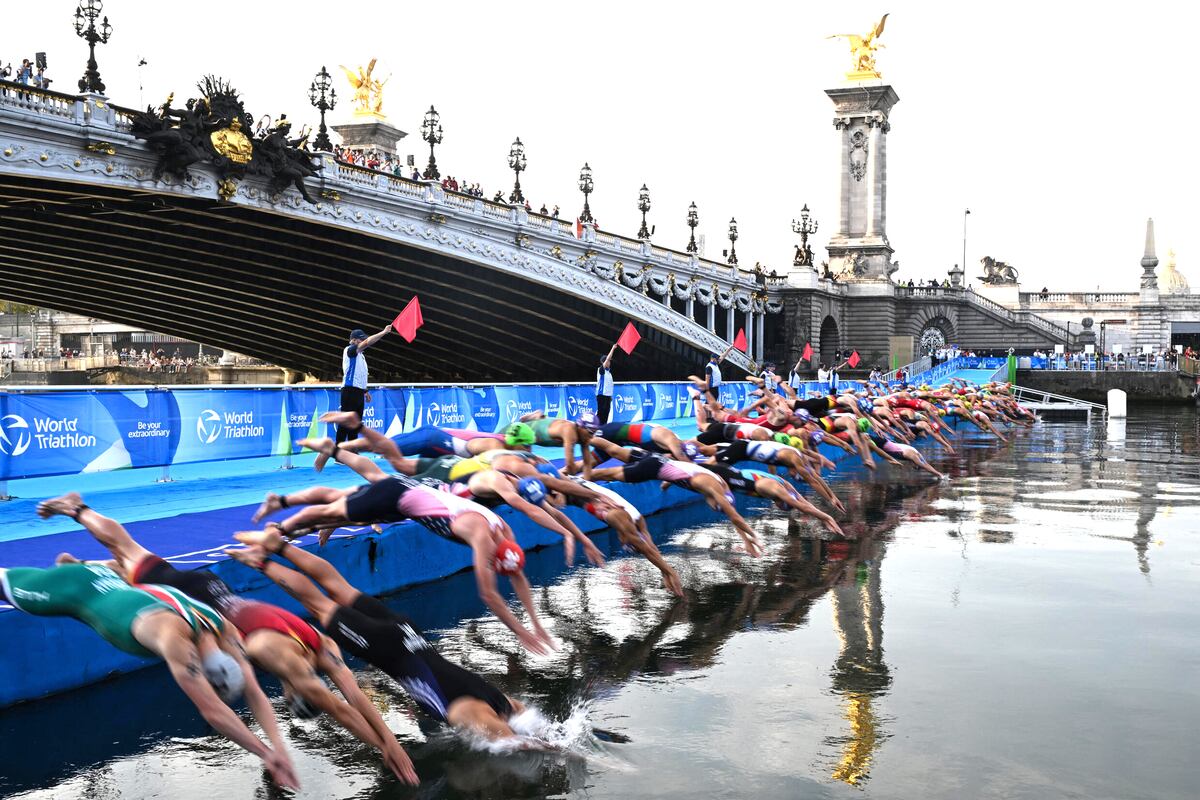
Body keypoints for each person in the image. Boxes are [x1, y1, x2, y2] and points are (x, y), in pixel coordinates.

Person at [36, 493, 419, 784]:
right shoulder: (272, 655)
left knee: (134, 557)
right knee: (134, 567)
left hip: (216, 588)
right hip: (199, 605)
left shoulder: (320, 643)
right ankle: (80, 518)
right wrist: (385, 749)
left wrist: (391, 741)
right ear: (295, 693)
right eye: (292, 698)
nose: (285, 696)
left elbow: (354, 697)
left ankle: (86, 557)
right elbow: (340, 709)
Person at [0, 554, 299, 788]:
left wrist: (279, 749)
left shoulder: (223, 626)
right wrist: (267, 754)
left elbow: (254, 692)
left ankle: (74, 564)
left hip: (110, 577)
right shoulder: (177, 642)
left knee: (100, 574)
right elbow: (214, 712)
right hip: (71, 589)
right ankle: (70, 567)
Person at [252, 439, 556, 654]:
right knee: (333, 506)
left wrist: (536, 623)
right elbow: (488, 593)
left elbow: (518, 578)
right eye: (491, 562)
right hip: (404, 498)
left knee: (367, 482)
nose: (489, 564)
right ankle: (281, 517)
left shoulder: (504, 533)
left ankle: (332, 452)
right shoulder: (478, 533)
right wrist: (522, 632)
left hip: (422, 494)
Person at [226, 529, 530, 739]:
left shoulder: (503, 702)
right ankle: (262, 561)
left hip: (410, 634)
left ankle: (279, 546)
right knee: (318, 605)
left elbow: (526, 723)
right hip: (387, 648)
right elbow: (509, 741)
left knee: (340, 587)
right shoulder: (470, 713)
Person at [339, 325, 391, 444]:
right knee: (345, 422)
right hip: (349, 390)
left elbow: (360, 374)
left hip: (358, 392)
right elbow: (368, 342)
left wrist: (365, 391)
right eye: (361, 339)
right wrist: (383, 332)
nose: (363, 341)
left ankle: (352, 448)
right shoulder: (350, 350)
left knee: (356, 423)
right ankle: (339, 452)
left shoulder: (361, 356)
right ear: (354, 340)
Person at [596, 344, 616, 423]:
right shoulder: (601, 370)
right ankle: (596, 428)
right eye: (608, 361)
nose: (609, 362)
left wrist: (610, 396)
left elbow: (609, 385)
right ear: (603, 362)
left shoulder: (609, 373)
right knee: (601, 414)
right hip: (602, 395)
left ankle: (603, 430)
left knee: (606, 413)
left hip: (607, 396)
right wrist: (613, 348)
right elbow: (608, 358)